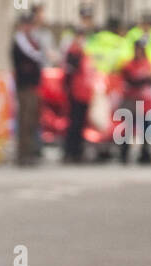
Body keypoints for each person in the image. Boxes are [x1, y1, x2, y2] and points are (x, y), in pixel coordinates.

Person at [12, 10, 44, 166]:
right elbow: (32, 58)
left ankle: (30, 152)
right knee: (24, 120)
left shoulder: (32, 40)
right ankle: (23, 154)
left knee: (32, 120)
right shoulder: (20, 42)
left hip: (33, 86)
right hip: (24, 86)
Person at [61, 10, 93, 164]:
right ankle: (70, 151)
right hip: (76, 92)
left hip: (85, 92)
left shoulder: (84, 52)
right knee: (74, 123)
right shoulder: (73, 52)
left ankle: (77, 151)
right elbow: (69, 72)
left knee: (80, 124)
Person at [117, 35, 151, 163]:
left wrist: (143, 80)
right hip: (131, 101)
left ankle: (145, 154)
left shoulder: (148, 63)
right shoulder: (128, 65)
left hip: (145, 102)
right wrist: (142, 80)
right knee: (127, 129)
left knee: (146, 128)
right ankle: (124, 154)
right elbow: (131, 80)